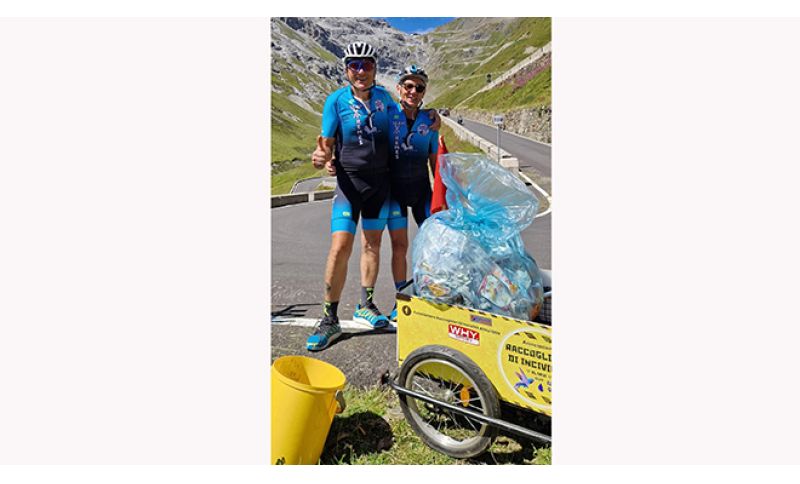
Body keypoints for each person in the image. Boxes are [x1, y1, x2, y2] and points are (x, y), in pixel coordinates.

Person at [306, 41, 395, 351]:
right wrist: (322, 157)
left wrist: (431, 118)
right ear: (346, 70)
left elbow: (402, 126)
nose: (360, 71)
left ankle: (365, 305)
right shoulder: (336, 101)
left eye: (366, 64)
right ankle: (329, 319)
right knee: (340, 247)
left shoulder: (385, 99)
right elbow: (325, 144)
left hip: (379, 185)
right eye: (354, 65)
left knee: (372, 245)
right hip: (349, 185)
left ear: (374, 69)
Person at [385, 65, 438, 322]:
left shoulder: (430, 120)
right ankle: (401, 299)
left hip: (421, 191)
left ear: (424, 92)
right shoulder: (386, 114)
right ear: (399, 88)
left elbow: (435, 161)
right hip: (393, 192)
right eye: (408, 86)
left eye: (419, 87)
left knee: (432, 243)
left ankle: (430, 293)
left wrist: (446, 194)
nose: (413, 91)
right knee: (400, 246)